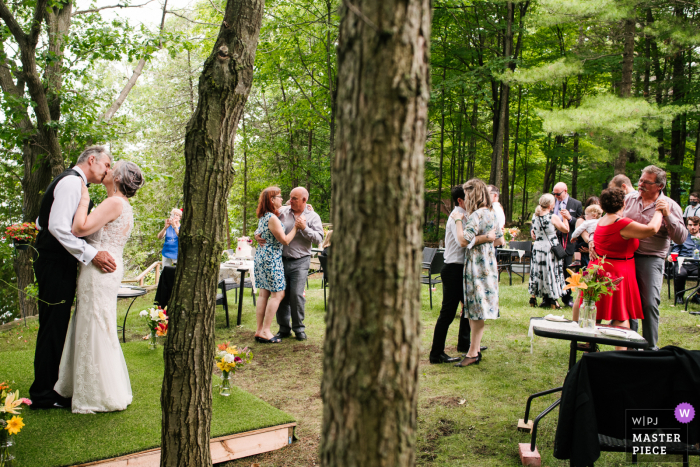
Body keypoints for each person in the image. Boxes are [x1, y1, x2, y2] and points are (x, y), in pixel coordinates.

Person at [30, 146, 118, 410]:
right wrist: (91, 254)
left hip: (55, 261)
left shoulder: (72, 182)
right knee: (53, 326)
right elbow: (58, 227)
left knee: (55, 324)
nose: (107, 171)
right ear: (92, 160)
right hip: (55, 264)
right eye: (106, 165)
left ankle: (49, 385)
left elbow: (40, 221)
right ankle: (43, 394)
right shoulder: (71, 183)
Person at [54, 160, 145, 413]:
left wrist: (83, 201)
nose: (107, 170)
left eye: (111, 168)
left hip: (98, 270)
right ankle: (90, 385)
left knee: (95, 322)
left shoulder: (113, 202)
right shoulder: (123, 205)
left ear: (117, 178)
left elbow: (79, 228)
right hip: (107, 268)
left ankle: (95, 394)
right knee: (97, 322)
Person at [605, 165, 687, 350]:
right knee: (625, 303)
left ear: (659, 186)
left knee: (649, 303)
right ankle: (629, 346)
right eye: (640, 180)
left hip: (651, 258)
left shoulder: (671, 206)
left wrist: (668, 216)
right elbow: (611, 220)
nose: (640, 184)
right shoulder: (629, 199)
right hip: (625, 256)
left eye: (646, 182)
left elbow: (681, 238)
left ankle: (650, 349)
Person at [571, 188, 665, 350]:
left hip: (598, 268)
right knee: (620, 315)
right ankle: (620, 354)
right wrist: (659, 211)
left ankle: (588, 344)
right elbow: (652, 229)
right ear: (624, 203)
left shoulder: (600, 221)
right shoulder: (622, 223)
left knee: (595, 310)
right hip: (617, 270)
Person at [429, 186, 495, 364]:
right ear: (460, 200)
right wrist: (486, 237)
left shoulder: (467, 215)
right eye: (468, 197)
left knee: (469, 308)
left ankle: (466, 344)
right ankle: (436, 353)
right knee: (448, 313)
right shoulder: (457, 216)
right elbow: (465, 242)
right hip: (453, 269)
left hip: (462, 268)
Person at [256, 187, 324, 340]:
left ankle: (299, 328)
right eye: (290, 197)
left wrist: (304, 228)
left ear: (304, 200)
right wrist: (256, 234)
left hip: (300, 260)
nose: (290, 201)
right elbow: (265, 223)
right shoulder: (283, 212)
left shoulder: (313, 216)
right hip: (280, 260)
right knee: (281, 294)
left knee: (296, 295)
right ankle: (284, 328)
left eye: (294, 198)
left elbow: (319, 238)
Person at [450, 179, 505, 367]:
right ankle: (476, 348)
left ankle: (473, 352)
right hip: (489, 263)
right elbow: (499, 241)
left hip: (476, 266)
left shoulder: (475, 215)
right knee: (479, 308)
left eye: (467, 194)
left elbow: (463, 241)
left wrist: (458, 221)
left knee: (474, 309)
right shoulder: (491, 213)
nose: (465, 197)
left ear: (472, 195)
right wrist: (484, 240)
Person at [252, 187, 299, 343]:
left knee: (263, 293)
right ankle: (266, 330)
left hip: (261, 257)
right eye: (279, 197)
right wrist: (297, 228)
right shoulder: (272, 217)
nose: (282, 199)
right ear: (272, 200)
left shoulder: (264, 216)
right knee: (278, 294)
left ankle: (259, 330)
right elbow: (285, 240)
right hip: (271, 259)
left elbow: (260, 232)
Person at [529, 193, 570, 309]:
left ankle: (533, 297)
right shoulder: (553, 217)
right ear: (551, 205)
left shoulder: (534, 216)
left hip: (537, 247)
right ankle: (553, 300)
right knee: (551, 271)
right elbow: (566, 230)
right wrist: (566, 218)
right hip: (549, 248)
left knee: (537, 271)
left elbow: (534, 233)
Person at [550, 182, 583, 307]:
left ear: (565, 190)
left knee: (567, 270)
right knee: (552, 269)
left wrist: (570, 218)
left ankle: (567, 297)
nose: (556, 196)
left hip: (568, 241)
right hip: (553, 239)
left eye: (558, 194)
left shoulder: (576, 204)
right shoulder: (551, 202)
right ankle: (550, 297)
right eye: (554, 194)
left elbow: (581, 223)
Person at [668, 215, 700, 304]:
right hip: (682, 264)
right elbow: (675, 249)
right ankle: (679, 295)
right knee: (680, 273)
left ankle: (698, 295)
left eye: (695, 224)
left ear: (699, 225)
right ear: (687, 226)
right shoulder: (682, 236)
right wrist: (672, 256)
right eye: (690, 225)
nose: (692, 227)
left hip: (696, 265)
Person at [569, 203, 603, 269]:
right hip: (598, 240)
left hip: (589, 240)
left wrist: (573, 236)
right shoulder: (601, 221)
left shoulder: (587, 222)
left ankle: (577, 260)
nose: (585, 216)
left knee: (578, 246)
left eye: (587, 214)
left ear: (594, 215)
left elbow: (578, 230)